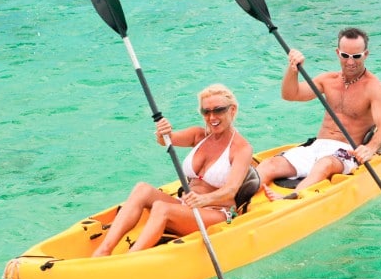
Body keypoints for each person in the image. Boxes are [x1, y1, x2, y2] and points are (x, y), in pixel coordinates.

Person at [92, 84, 258, 256]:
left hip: (217, 213)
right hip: (187, 206)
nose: (211, 117)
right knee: (142, 189)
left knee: (161, 208)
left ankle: (131, 258)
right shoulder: (199, 135)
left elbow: (230, 191)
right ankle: (103, 251)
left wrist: (204, 199)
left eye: (218, 110)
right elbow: (166, 140)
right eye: (206, 112)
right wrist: (162, 132)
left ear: (232, 110)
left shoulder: (242, 148)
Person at [257, 27, 381, 199]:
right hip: (317, 146)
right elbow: (290, 94)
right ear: (338, 53)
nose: (350, 62)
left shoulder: (373, 87)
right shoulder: (328, 80)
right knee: (270, 164)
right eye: (345, 56)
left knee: (324, 164)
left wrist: (370, 148)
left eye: (356, 56)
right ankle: (235, 201)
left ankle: (290, 198)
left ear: (365, 54)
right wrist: (293, 70)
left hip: (346, 152)